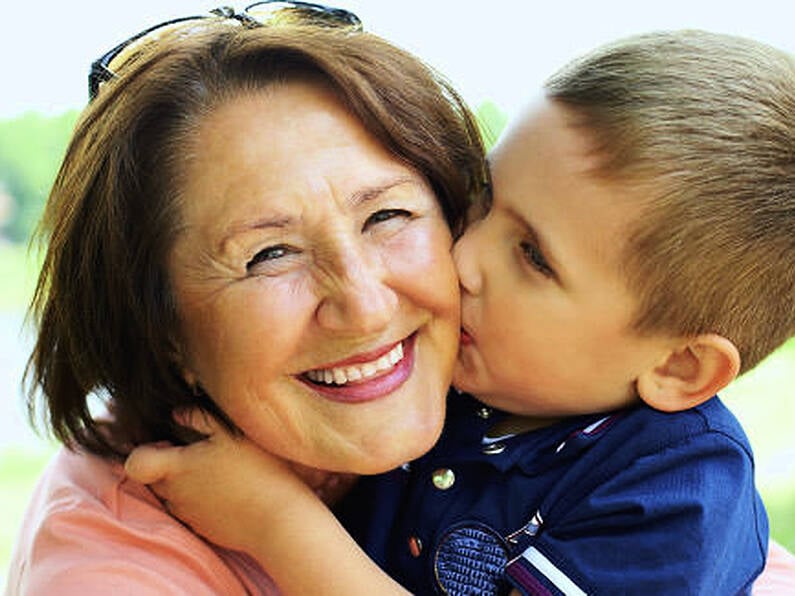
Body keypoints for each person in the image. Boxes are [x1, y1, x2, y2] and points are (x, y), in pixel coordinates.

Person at [125, 29, 795, 595]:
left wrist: (275, 521)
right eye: (480, 198)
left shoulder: (671, 494)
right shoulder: (464, 384)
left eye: (532, 256)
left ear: (679, 366)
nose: (463, 255)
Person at [4, 4, 490, 594]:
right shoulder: (110, 572)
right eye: (270, 255)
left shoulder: (533, 398)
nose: (366, 306)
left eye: (388, 216)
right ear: (160, 327)